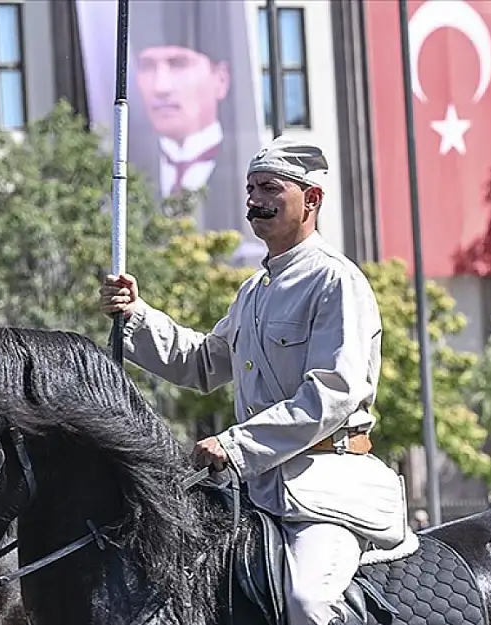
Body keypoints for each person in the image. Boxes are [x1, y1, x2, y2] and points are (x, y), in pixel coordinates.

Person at [99, 137, 408, 625]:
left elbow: (334, 391)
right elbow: (202, 363)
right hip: (253, 493)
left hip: (323, 491)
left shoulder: (336, 281)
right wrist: (136, 314)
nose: (255, 201)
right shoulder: (253, 291)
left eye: (269, 188)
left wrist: (237, 444)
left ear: (312, 200)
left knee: (310, 605)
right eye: (250, 189)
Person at [127, 0, 267, 266]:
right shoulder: (129, 177)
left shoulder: (248, 170)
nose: (161, 86)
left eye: (178, 64)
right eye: (147, 66)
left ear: (220, 78)